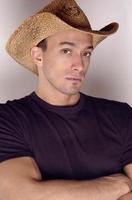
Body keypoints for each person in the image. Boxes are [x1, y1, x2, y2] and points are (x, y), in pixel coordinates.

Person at [0, 0, 132, 199]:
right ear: (38, 56)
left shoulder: (121, 115)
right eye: (67, 51)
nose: (79, 64)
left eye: (86, 53)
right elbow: (20, 194)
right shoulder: (9, 119)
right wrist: (113, 187)